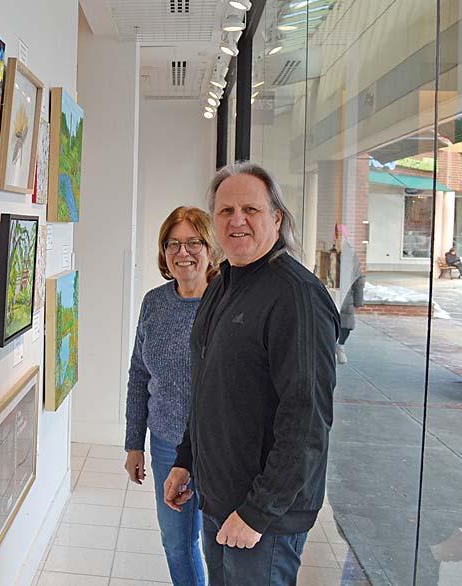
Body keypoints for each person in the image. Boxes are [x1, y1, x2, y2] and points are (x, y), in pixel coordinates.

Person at [164, 162, 339, 585]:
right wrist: (186, 460)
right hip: (219, 500)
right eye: (225, 210)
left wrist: (258, 512)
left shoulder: (297, 297)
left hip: (263, 520)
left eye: (251, 209)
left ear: (276, 219)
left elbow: (306, 421)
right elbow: (207, 388)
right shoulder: (223, 284)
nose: (236, 220)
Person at [124, 206, 221, 586]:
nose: (183, 252)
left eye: (193, 242)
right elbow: (139, 375)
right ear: (163, 252)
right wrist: (134, 444)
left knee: (220, 545)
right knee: (177, 543)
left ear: (210, 248)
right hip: (166, 443)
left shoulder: (226, 303)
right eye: (173, 244)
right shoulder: (154, 303)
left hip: (219, 448)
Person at [336, 224, 365, 365]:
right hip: (330, 293)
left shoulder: (351, 257)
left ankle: (339, 346)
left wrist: (358, 301)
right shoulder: (327, 253)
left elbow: (358, 279)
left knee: (346, 324)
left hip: (345, 296)